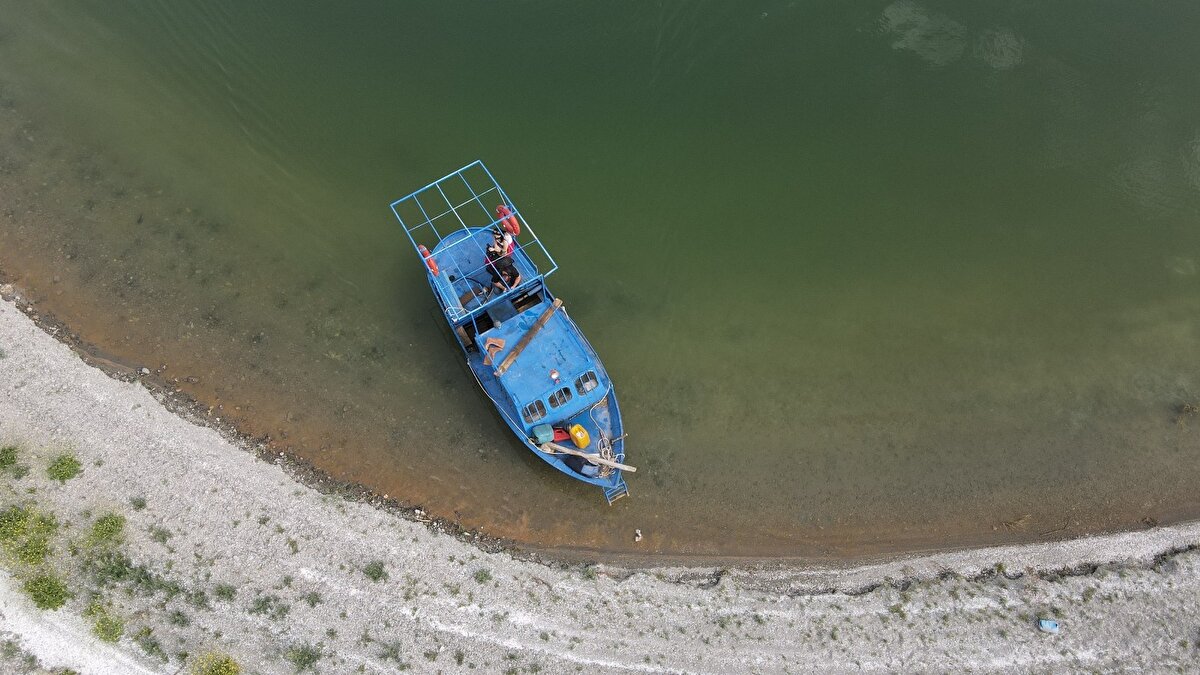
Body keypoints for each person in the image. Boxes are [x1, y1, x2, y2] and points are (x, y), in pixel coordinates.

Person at [485, 227, 520, 293]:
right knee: (489, 259)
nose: (495, 236)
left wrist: (512, 287)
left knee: (490, 261)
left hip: (502, 256)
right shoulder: (503, 270)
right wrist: (505, 288)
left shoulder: (509, 270)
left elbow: (494, 282)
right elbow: (518, 277)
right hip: (501, 258)